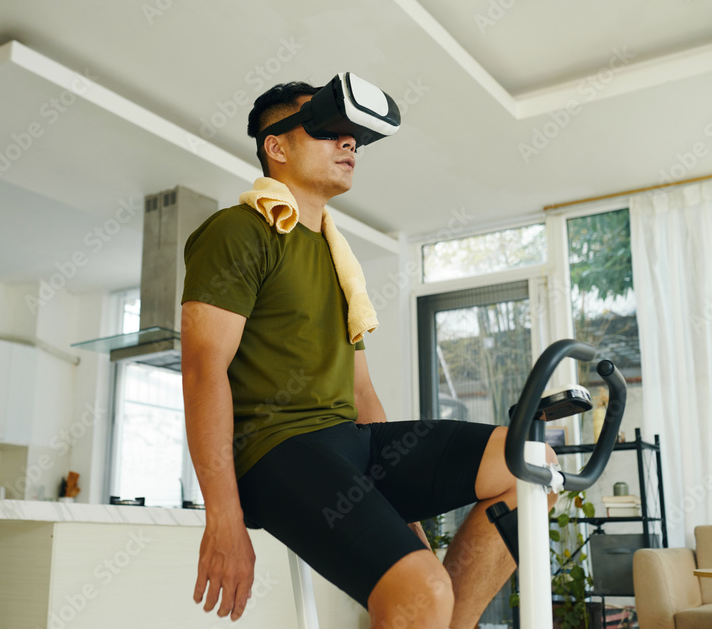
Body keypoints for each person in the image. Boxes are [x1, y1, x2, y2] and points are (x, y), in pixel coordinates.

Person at [180, 80, 558, 629]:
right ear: (275, 147)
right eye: (327, 130)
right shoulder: (239, 231)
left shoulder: (339, 258)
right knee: (423, 591)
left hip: (354, 445)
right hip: (278, 450)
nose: (348, 143)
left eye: (352, 135)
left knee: (531, 464)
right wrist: (222, 516)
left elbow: (361, 393)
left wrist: (404, 518)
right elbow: (201, 370)